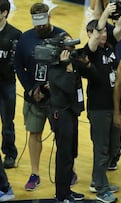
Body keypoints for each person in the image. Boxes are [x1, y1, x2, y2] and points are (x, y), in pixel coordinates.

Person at [14, 2, 75, 191]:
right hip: (35, 97)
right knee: (34, 133)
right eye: (36, 24)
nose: (40, 27)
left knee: (61, 135)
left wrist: (54, 84)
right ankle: (35, 173)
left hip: (57, 98)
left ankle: (66, 170)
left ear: (49, 17)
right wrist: (31, 89)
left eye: (42, 22)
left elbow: (71, 68)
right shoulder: (25, 39)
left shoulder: (63, 36)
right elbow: (19, 67)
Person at [83, 2, 121, 202]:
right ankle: (100, 188)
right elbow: (97, 34)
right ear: (91, 34)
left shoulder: (109, 44)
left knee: (112, 149)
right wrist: (104, 15)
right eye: (98, 32)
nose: (103, 35)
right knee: (101, 149)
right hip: (99, 108)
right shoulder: (89, 51)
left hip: (114, 106)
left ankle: (99, 180)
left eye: (103, 32)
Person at [48, 38, 87, 203]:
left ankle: (67, 191)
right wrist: (68, 69)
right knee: (64, 155)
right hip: (61, 115)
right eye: (69, 49)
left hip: (70, 113)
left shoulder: (70, 65)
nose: (72, 51)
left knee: (70, 153)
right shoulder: (56, 69)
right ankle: (61, 194)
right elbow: (69, 88)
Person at [0, 0, 21, 169]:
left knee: (8, 121)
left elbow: (19, 61)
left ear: (4, 13)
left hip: (7, 84)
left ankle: (10, 153)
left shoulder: (15, 34)